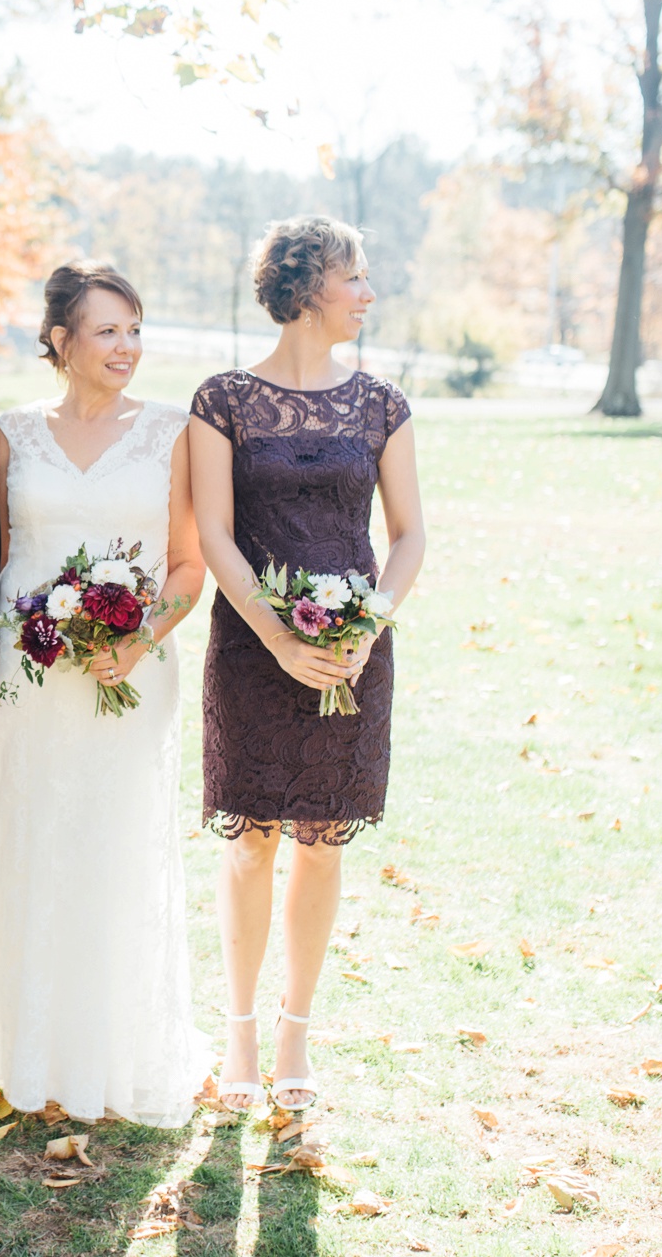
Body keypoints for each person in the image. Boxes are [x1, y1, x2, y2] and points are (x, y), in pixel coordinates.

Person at [0, 263, 210, 1127]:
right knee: (28, 844)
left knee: (113, 847)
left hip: (127, 678)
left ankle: (112, 1056)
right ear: (61, 340)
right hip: (27, 676)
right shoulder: (13, 431)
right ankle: (26, 1051)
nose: (126, 347)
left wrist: (136, 639)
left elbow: (187, 565)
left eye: (135, 329)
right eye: (107, 331)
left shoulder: (174, 431)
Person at [188, 215, 425, 1114]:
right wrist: (278, 636)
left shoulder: (382, 405)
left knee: (323, 848)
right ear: (307, 287)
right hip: (253, 653)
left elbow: (409, 536)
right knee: (250, 845)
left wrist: (368, 629)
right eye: (355, 278)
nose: (367, 294)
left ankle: (296, 1032)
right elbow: (214, 532)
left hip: (353, 656)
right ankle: (239, 1032)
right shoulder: (224, 400)